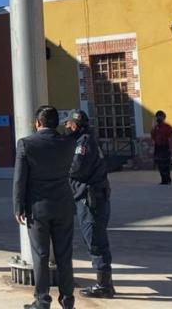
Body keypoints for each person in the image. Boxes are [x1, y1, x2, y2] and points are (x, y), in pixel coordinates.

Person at [13, 105, 76, 309]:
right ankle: (67, 300)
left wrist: (18, 207)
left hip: (37, 207)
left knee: (40, 254)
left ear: (37, 123)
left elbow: (19, 180)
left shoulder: (26, 144)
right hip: (64, 205)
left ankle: (42, 300)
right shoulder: (68, 142)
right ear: (55, 123)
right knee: (64, 254)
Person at [64, 109, 116, 299]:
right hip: (94, 196)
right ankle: (105, 282)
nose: (66, 128)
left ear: (75, 125)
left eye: (68, 124)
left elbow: (77, 169)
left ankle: (104, 285)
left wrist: (60, 167)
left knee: (95, 241)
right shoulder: (86, 140)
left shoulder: (83, 143)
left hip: (90, 198)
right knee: (95, 239)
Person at [150, 111, 172, 185]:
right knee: (160, 163)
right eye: (157, 116)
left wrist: (166, 141)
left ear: (164, 118)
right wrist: (153, 130)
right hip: (158, 146)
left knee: (166, 163)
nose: (158, 118)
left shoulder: (167, 127)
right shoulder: (156, 127)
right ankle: (163, 179)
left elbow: (171, 135)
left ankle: (168, 179)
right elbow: (153, 136)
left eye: (160, 116)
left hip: (165, 146)